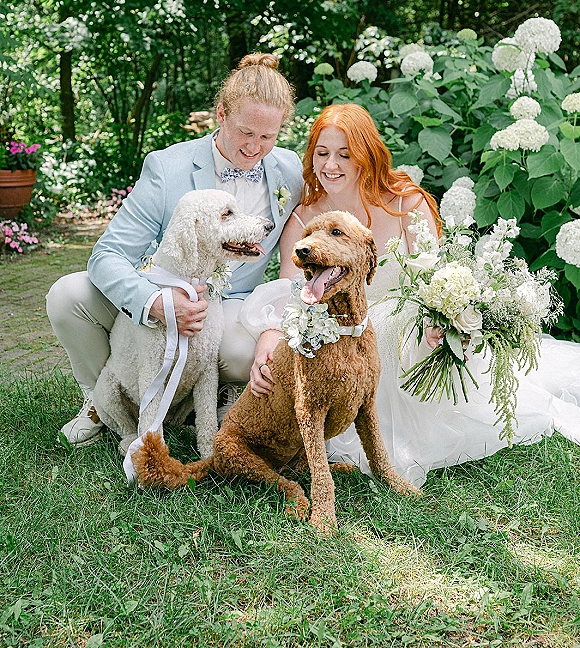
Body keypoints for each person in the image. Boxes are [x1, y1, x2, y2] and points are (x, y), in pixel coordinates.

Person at [240, 103, 580, 488]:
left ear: (367, 155)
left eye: (344, 154)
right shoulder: (305, 219)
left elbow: (435, 279)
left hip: (409, 332)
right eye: (321, 154)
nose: (330, 165)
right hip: (340, 346)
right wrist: (270, 335)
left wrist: (442, 319)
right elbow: (292, 294)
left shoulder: (405, 204)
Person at [46, 54, 303, 446]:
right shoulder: (167, 167)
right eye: (245, 132)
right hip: (162, 282)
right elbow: (107, 254)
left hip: (228, 300)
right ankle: (102, 400)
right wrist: (154, 302)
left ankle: (214, 396)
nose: (254, 148)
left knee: (243, 352)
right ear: (221, 114)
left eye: (267, 137)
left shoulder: (290, 171)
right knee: (67, 296)